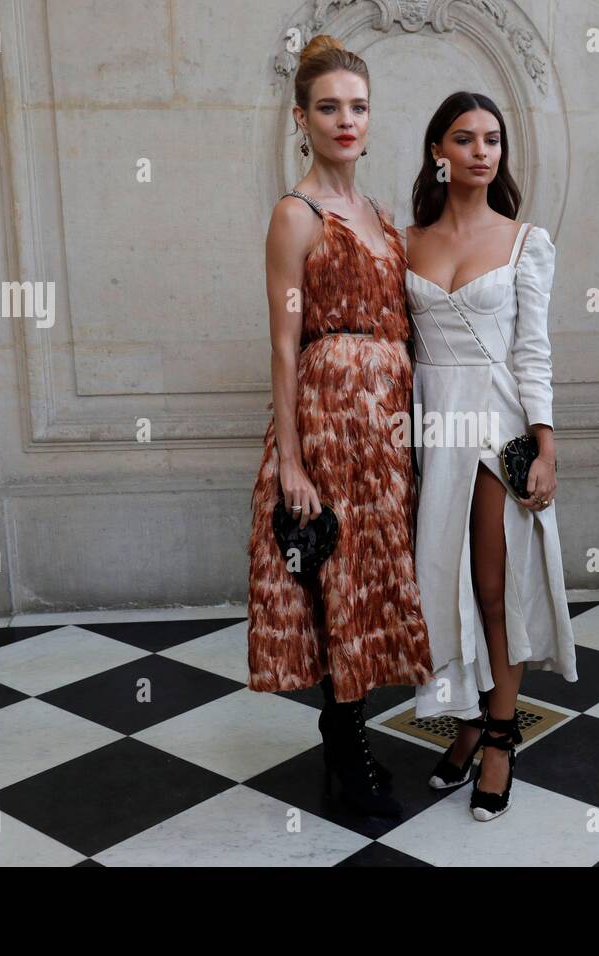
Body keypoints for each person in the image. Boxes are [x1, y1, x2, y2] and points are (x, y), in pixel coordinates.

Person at [245, 35, 433, 819]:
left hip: (385, 424)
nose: (345, 120)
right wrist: (291, 462)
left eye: (357, 107)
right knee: (337, 577)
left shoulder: (380, 215)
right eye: (329, 108)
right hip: (326, 421)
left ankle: (348, 726)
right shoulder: (296, 215)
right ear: (302, 118)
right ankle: (346, 744)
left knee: (374, 578)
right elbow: (285, 344)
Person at [404, 91, 578, 821]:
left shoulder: (523, 242)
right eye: (465, 138)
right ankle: (470, 717)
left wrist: (545, 444)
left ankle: (501, 736)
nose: (481, 151)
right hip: (429, 427)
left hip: (496, 428)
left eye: (493, 140)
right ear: (438, 152)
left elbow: (532, 350)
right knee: (441, 583)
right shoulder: (404, 242)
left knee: (492, 581)